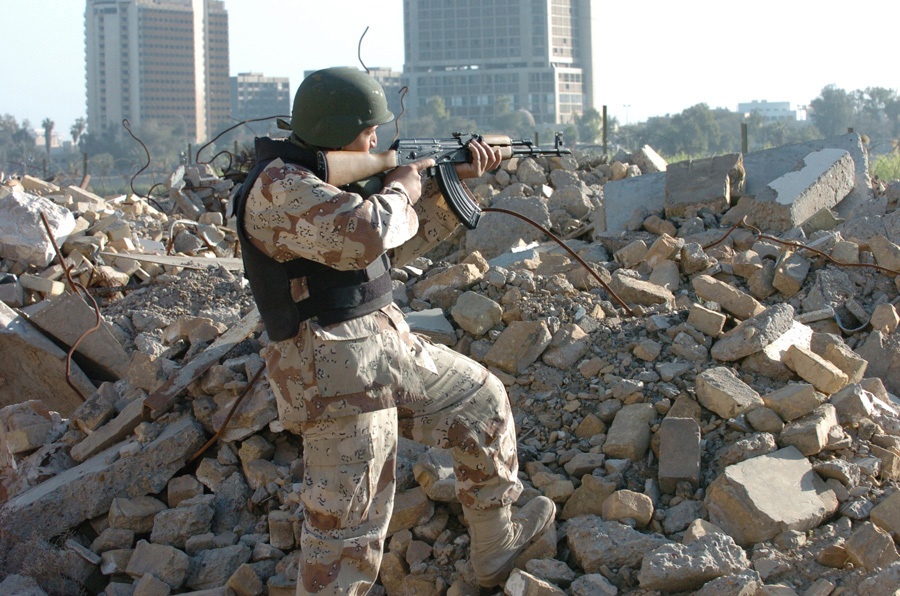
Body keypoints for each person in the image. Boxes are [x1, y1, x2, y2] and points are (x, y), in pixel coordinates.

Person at [233, 66, 555, 595]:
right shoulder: (279, 186)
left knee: (482, 403)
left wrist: (445, 190)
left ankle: (496, 547)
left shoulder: (323, 185)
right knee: (348, 540)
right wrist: (402, 188)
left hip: (381, 354)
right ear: (340, 130)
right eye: (368, 131)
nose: (376, 139)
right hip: (332, 374)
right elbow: (364, 233)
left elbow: (381, 254)